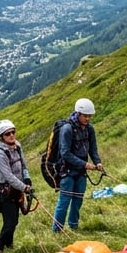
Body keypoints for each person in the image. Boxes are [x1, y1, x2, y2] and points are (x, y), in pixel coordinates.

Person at [52, 98, 103, 234]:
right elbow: (65, 153)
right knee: (64, 201)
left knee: (78, 199)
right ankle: (57, 230)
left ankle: (73, 226)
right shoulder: (67, 129)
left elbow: (93, 149)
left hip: (81, 172)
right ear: (78, 114)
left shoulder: (89, 129)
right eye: (85, 116)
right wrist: (85, 164)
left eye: (89, 116)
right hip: (67, 171)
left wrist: (97, 162)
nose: (88, 119)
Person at [0, 119, 32, 253]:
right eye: (7, 134)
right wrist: (24, 187)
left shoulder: (17, 147)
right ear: (1, 137)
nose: (12, 136)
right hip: (6, 193)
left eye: (13, 132)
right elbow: (8, 176)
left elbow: (24, 166)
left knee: (14, 220)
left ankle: (9, 244)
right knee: (10, 222)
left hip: (17, 190)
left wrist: (27, 180)